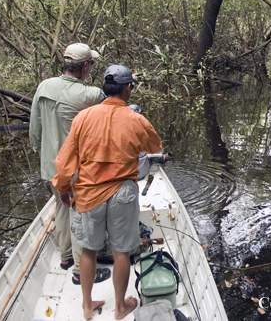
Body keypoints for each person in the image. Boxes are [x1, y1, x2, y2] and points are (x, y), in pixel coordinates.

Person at [53, 64, 162, 320]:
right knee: (121, 251)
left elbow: (65, 160)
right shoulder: (136, 119)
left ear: (104, 88)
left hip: (89, 193)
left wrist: (63, 188)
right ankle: (121, 308)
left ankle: (88, 306)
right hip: (122, 193)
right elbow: (154, 145)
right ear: (128, 89)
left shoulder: (83, 117)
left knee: (88, 250)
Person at [29, 43, 111, 285]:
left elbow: (35, 129)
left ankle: (65, 257)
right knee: (79, 214)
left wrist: (42, 155)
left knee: (61, 209)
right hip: (74, 170)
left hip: (49, 166)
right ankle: (80, 271)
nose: (91, 68)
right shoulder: (90, 94)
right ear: (85, 66)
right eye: (91, 64)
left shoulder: (44, 86)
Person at [127, 104, 171, 180]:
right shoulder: (144, 133)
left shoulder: (118, 131)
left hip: (121, 174)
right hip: (138, 174)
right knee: (149, 155)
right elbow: (156, 156)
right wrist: (164, 158)